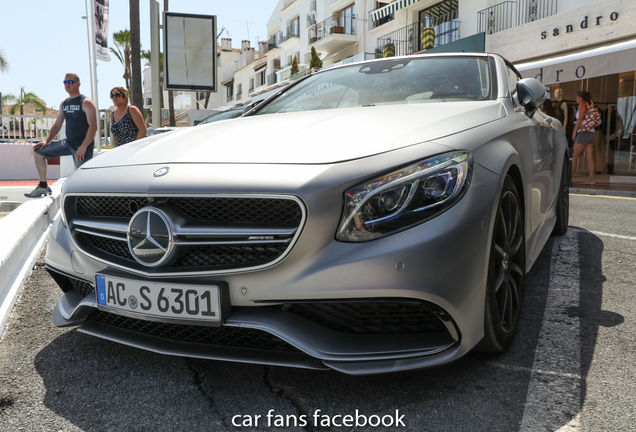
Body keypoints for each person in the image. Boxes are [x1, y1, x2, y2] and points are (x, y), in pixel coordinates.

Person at [25, 73, 97, 198]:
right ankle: (43, 187)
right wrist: (46, 141)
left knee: (82, 179)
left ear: (78, 84)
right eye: (65, 82)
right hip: (68, 143)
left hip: (82, 147)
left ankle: (87, 203)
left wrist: (84, 146)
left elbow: (93, 126)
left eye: (70, 82)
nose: (67, 85)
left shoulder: (86, 102)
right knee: (39, 152)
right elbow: (58, 124)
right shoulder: (64, 103)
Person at [571, 91, 596, 185]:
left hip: (584, 133)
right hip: (591, 133)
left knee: (574, 156)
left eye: (577, 97)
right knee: (589, 157)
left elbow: (580, 117)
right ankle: (592, 179)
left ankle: (569, 178)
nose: (576, 99)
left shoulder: (582, 104)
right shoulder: (590, 104)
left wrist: (574, 131)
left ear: (580, 97)